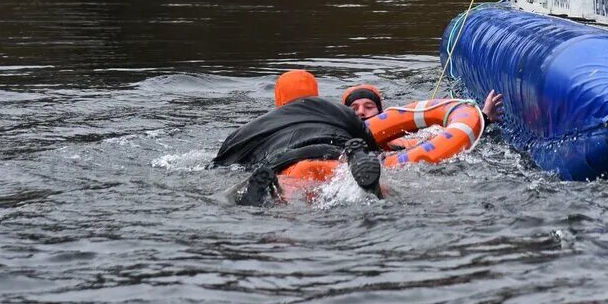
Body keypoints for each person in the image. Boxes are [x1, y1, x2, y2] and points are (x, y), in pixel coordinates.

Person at [212, 69, 382, 204]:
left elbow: (220, 165)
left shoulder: (251, 128)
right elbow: (373, 148)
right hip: (336, 160)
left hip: (288, 165)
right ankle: (370, 187)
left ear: (279, 96)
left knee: (289, 203)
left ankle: (262, 196)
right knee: (363, 193)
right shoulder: (342, 111)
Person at [343, 83, 505, 124]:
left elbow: (452, 138)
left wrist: (484, 118)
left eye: (369, 106)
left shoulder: (400, 138)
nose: (361, 112)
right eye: (354, 108)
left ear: (381, 111)